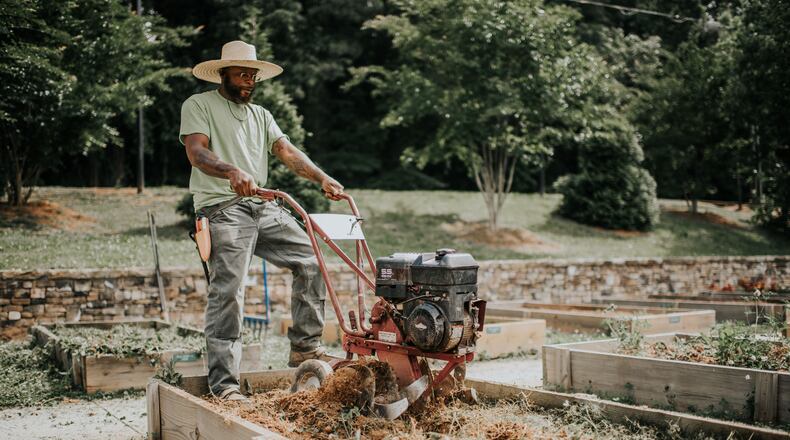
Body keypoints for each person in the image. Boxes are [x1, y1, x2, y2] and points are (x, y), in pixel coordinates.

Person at [179, 40, 343, 401]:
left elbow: (286, 152)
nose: (249, 81)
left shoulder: (262, 115)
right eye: (242, 74)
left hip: (263, 206)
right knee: (230, 292)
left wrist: (322, 178)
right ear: (223, 74)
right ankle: (225, 385)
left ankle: (305, 348)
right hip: (222, 209)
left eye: (253, 75)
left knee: (312, 261)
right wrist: (231, 170)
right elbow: (197, 152)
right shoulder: (199, 105)